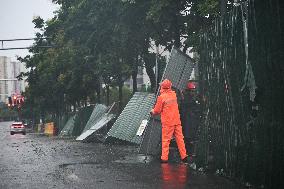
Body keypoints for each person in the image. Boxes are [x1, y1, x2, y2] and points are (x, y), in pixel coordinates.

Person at [151, 79, 188, 163]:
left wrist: (152, 111)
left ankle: (164, 159)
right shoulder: (174, 95)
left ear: (162, 87)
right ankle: (184, 157)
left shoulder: (161, 97)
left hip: (168, 123)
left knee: (166, 140)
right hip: (176, 121)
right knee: (180, 139)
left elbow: (157, 110)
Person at [180, 81, 201, 155]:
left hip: (192, 121)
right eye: (191, 91)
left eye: (194, 91)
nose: (193, 92)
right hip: (188, 121)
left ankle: (190, 152)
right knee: (187, 137)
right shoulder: (186, 99)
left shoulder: (194, 99)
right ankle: (187, 152)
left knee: (191, 137)